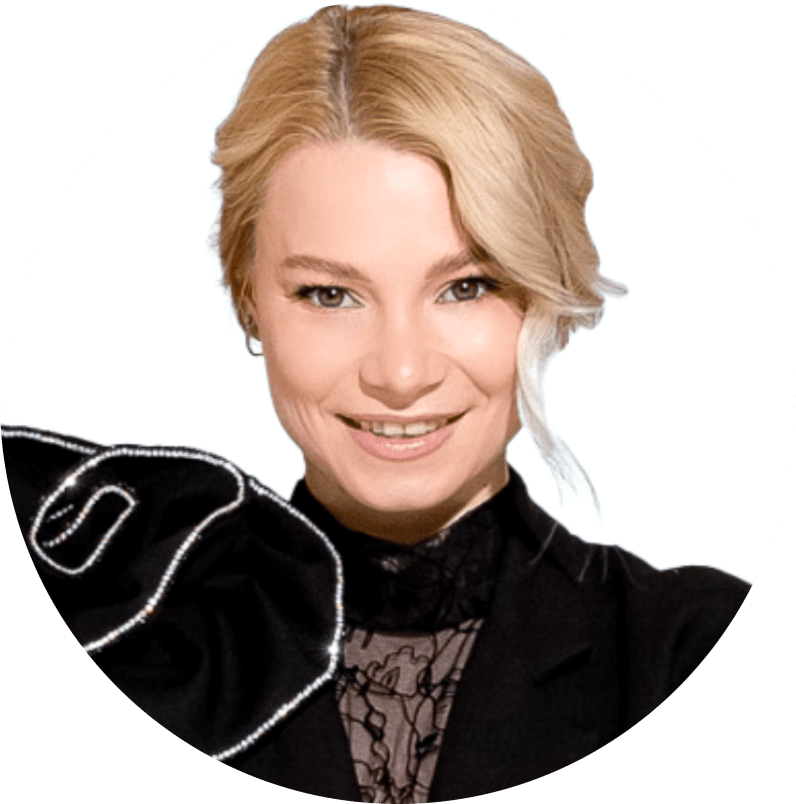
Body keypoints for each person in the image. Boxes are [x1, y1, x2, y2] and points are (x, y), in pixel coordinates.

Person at [1, 6, 750, 802]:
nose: (400, 372)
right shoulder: (107, 635)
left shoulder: (700, 654)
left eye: (467, 287)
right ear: (250, 300)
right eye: (329, 294)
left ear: (543, 296)